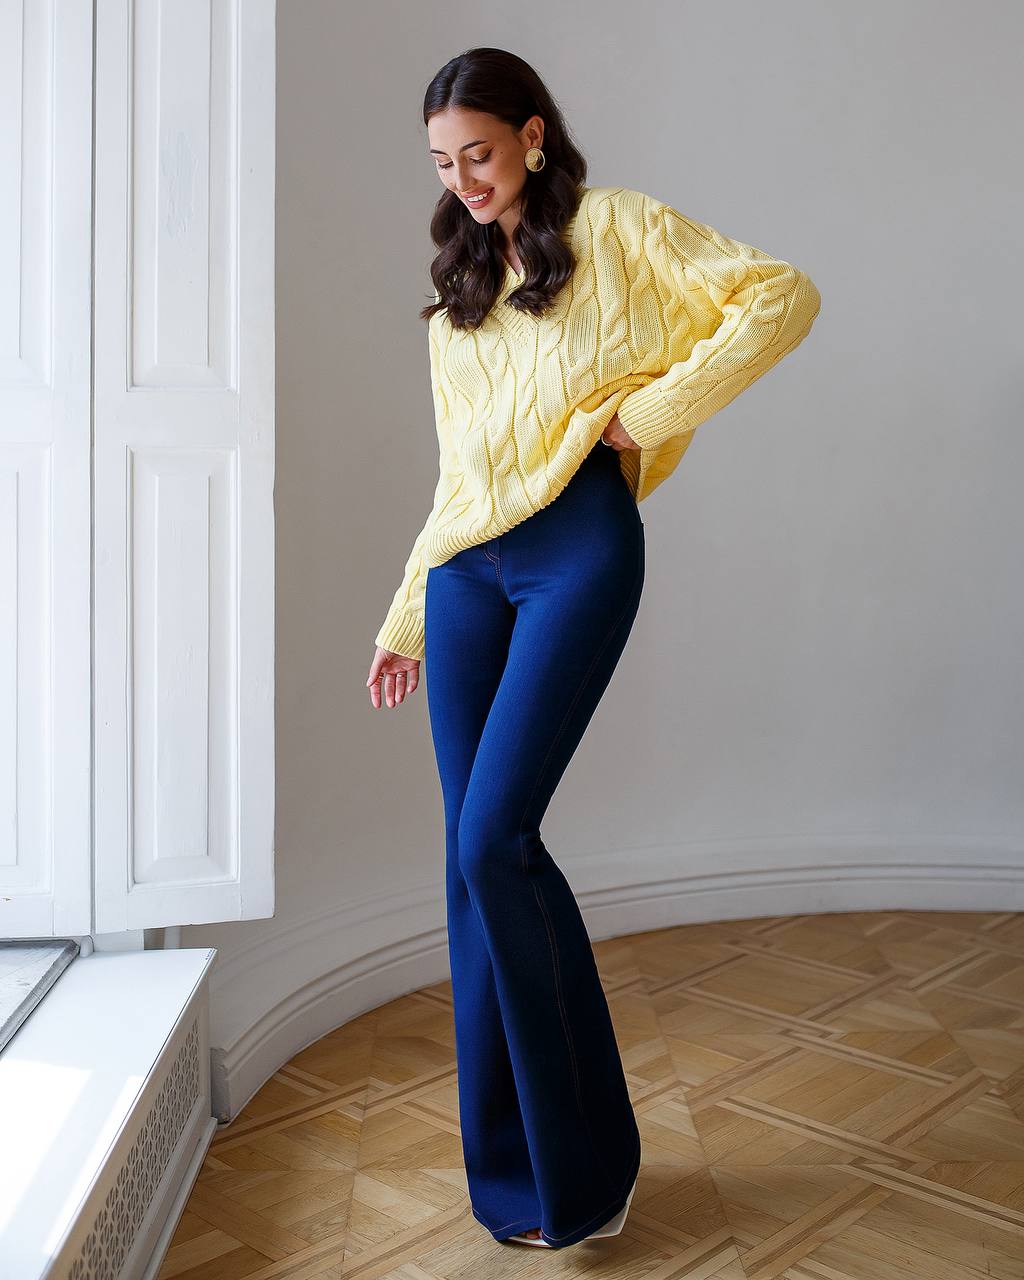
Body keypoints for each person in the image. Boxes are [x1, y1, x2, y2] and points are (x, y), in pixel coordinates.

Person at [365, 47, 821, 1248]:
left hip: (576, 550)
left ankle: (591, 1164)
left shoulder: (618, 228)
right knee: (467, 869)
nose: (462, 178)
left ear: (528, 135)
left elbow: (778, 295)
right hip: (469, 574)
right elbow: (461, 479)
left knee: (494, 835)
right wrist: (408, 610)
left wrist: (645, 413)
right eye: (441, 162)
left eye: (477, 151)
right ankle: (515, 1182)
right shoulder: (453, 306)